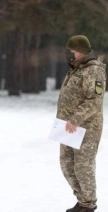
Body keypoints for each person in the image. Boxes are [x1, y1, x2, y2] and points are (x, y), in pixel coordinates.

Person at [58, 35, 106, 212]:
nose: (68, 54)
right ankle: (82, 199)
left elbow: (94, 100)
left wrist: (75, 119)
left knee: (82, 165)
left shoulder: (93, 70)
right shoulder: (76, 69)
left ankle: (88, 204)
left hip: (86, 127)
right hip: (68, 127)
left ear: (81, 51)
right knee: (67, 164)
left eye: (71, 51)